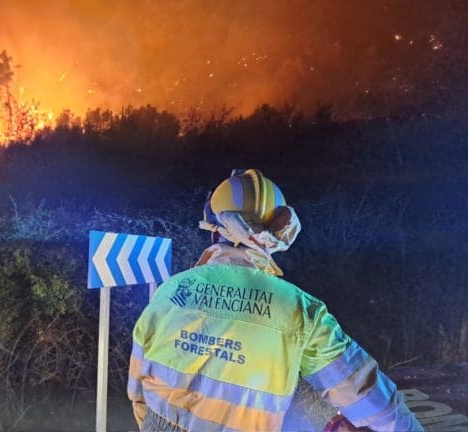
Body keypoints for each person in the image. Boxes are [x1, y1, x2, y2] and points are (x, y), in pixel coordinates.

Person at [127, 169, 422, 432]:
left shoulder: (169, 293)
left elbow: (138, 391)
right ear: (279, 234)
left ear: (213, 227)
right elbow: (367, 394)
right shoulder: (298, 310)